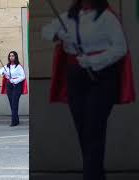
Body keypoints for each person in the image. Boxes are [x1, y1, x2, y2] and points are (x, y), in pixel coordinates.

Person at [42, 0, 135, 179]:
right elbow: (46, 31)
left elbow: (120, 48)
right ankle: (96, 173)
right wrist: (58, 34)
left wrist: (94, 61)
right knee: (83, 128)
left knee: (94, 128)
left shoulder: (107, 18)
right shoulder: (69, 17)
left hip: (101, 77)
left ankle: (91, 175)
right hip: (75, 76)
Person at [0, 51, 28, 127]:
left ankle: (14, 121)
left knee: (14, 102)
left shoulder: (18, 66)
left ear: (15, 57)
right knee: (12, 103)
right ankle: (16, 119)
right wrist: (3, 73)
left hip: (17, 86)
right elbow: (0, 71)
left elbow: (23, 76)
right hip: (9, 86)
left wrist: (15, 80)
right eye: (10, 56)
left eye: (13, 56)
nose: (11, 57)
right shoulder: (7, 66)